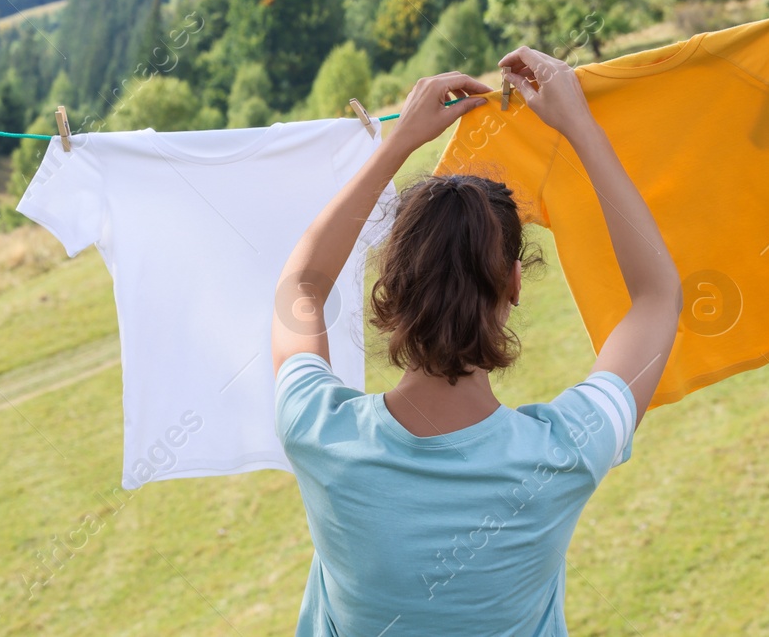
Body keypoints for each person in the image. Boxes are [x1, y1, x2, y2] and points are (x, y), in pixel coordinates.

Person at [272, 48, 682, 636]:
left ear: (393, 283)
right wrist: (580, 127)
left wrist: (396, 143)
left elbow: (301, 285)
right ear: (514, 281)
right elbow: (657, 296)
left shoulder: (318, 431)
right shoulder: (560, 457)